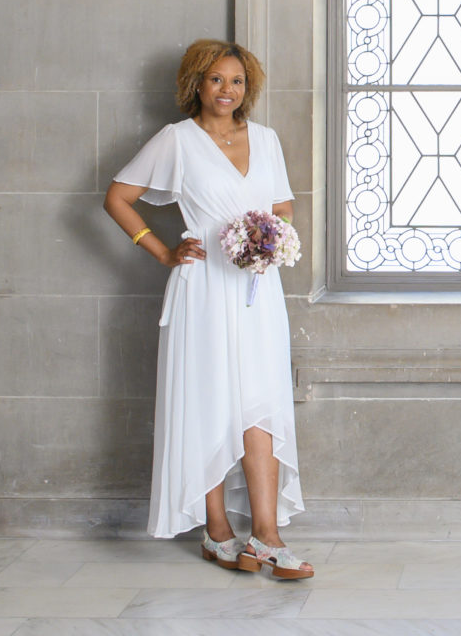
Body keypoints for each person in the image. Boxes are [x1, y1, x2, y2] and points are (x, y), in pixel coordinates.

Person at [104, 39, 314, 580]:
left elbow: (283, 206)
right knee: (210, 402)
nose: (228, 90)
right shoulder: (177, 141)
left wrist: (270, 236)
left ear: (249, 87)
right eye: (217, 79)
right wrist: (164, 251)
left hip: (256, 290)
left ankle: (267, 535)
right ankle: (217, 531)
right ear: (196, 83)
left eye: (238, 81)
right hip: (202, 290)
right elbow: (118, 197)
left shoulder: (265, 140)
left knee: (261, 403)